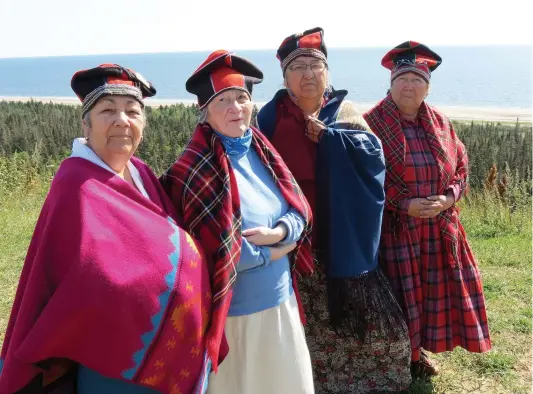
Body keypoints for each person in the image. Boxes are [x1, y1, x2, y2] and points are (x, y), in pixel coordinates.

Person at [0, 64, 212, 394]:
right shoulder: (75, 183)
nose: (122, 121)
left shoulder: (140, 172)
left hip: (168, 358)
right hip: (113, 368)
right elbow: (83, 278)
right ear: (86, 122)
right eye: (107, 111)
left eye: (132, 111)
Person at [256, 27, 412, 393]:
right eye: (298, 67)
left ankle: (370, 379)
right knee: (303, 316)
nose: (308, 74)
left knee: (358, 316)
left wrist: (331, 138)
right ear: (286, 79)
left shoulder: (344, 111)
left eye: (315, 65)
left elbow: (374, 160)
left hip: (340, 230)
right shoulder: (270, 116)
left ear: (327, 73)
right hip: (293, 236)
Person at [161, 50, 315, 394]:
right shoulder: (193, 169)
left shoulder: (261, 147)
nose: (235, 108)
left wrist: (281, 232)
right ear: (204, 110)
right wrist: (275, 253)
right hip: (235, 316)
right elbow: (209, 251)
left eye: (242, 98)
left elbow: (298, 207)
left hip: (280, 301)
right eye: (223, 100)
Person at [363, 41, 492, 376]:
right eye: (403, 78)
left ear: (428, 86)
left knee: (431, 293)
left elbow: (462, 168)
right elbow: (362, 178)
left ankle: (419, 354)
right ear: (391, 83)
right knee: (402, 297)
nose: (409, 85)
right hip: (394, 230)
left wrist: (447, 198)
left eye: (417, 79)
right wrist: (402, 203)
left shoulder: (440, 123)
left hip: (438, 227)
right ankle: (402, 357)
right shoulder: (370, 124)